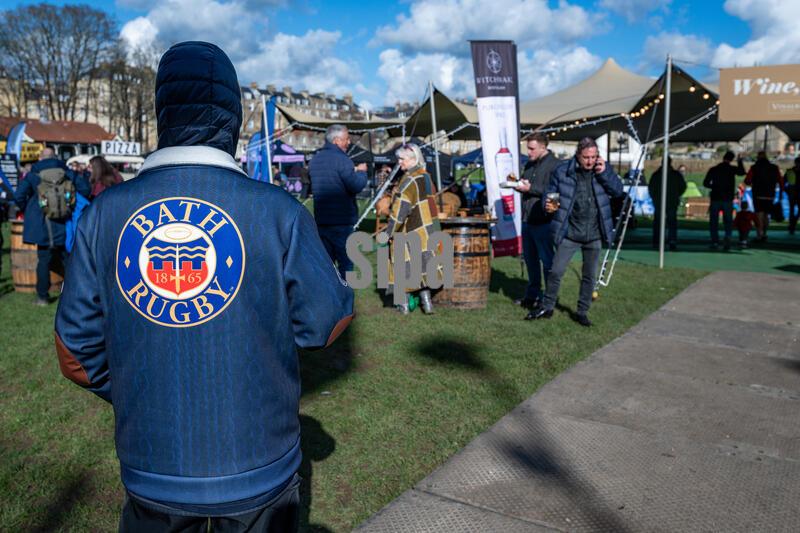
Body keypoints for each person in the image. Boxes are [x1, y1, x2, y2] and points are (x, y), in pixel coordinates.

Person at [54, 41, 354, 532]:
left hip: (153, 460)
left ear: (162, 113)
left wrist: (138, 389)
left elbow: (76, 351)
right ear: (232, 116)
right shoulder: (278, 211)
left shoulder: (103, 215)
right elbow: (327, 320)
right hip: (260, 457)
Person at [529, 137, 624, 327]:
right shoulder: (563, 170)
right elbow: (551, 194)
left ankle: (582, 311)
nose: (590, 161)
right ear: (578, 155)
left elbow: (618, 192)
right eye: (586, 157)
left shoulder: (602, 169)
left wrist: (605, 173)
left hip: (594, 233)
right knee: (556, 271)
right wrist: (549, 205)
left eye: (593, 157)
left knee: (589, 275)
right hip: (570, 232)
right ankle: (547, 307)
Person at [14, 147, 90, 305]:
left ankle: (42, 297)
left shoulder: (33, 175)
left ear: (41, 158)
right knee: (68, 260)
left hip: (42, 224)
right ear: (55, 157)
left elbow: (19, 196)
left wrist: (29, 208)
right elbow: (85, 189)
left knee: (43, 261)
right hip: (65, 222)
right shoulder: (67, 172)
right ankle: (76, 295)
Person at [381, 143, 441, 314]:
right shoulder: (426, 176)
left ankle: (404, 306)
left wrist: (389, 232)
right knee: (422, 266)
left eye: (402, 159)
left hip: (408, 229)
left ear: (414, 159)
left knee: (402, 267)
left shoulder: (408, 181)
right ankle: (427, 303)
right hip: (426, 228)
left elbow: (399, 212)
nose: (399, 162)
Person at [308, 124, 368, 277]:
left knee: (326, 265)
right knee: (346, 265)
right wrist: (361, 173)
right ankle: (344, 299)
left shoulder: (315, 160)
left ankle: (327, 298)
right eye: (346, 139)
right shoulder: (342, 160)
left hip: (322, 219)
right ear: (336, 140)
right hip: (342, 221)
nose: (349, 142)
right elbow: (355, 185)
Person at [515, 132, 559, 311]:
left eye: (532, 148)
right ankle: (532, 295)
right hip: (528, 219)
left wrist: (530, 188)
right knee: (531, 261)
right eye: (528, 148)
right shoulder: (530, 164)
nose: (529, 152)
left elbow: (554, 193)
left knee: (547, 262)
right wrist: (520, 186)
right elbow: (530, 189)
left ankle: (548, 300)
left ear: (543, 147)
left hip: (544, 221)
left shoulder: (555, 166)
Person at [703, 151, 745, 250]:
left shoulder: (714, 169)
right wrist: (740, 161)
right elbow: (742, 172)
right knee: (728, 221)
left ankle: (715, 241)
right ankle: (727, 238)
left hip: (716, 197)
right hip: (727, 198)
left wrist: (714, 187)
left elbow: (705, 183)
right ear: (731, 159)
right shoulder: (731, 169)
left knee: (714, 221)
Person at [648, 157, 686, 251]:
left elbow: (651, 188)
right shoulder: (675, 175)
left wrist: (655, 198)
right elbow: (683, 186)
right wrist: (676, 195)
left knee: (659, 222)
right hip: (670, 202)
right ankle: (671, 240)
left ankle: (658, 241)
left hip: (661, 202)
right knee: (671, 222)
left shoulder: (657, 175)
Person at [745, 151, 783, 242]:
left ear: (758, 157)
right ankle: (765, 233)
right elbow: (781, 182)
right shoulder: (774, 168)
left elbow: (747, 181)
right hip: (770, 195)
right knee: (766, 215)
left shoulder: (754, 168)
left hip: (758, 194)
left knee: (759, 215)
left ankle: (759, 234)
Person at [784, 156, 800, 235]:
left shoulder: (790, 171)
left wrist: (787, 190)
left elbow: (783, 183)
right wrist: (787, 191)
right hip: (793, 194)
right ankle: (792, 225)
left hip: (792, 193)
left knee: (792, 211)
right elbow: (783, 182)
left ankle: (792, 224)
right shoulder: (790, 171)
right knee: (792, 211)